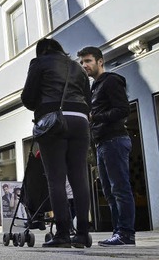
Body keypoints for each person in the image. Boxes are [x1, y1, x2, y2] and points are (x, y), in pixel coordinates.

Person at [21, 38, 92, 248]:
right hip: (80, 120)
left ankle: (62, 234)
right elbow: (87, 98)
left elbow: (28, 98)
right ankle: (82, 234)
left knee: (56, 179)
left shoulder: (39, 63)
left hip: (53, 121)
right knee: (79, 178)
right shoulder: (78, 68)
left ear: (41, 51)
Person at [78, 46, 135, 247]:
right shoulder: (94, 87)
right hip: (102, 143)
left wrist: (95, 117)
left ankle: (126, 234)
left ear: (100, 61)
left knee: (120, 189)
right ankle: (118, 233)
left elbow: (123, 110)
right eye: (82, 62)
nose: (84, 65)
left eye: (88, 61)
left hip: (115, 140)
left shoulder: (111, 81)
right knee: (110, 192)